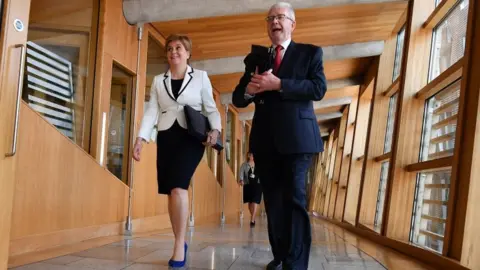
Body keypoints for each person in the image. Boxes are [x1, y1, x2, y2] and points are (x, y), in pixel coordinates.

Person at [232, 2, 327, 270]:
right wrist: (251, 89)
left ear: (292, 24)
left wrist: (280, 84)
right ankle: (282, 256)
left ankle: (296, 264)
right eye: (271, 18)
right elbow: (239, 98)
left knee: (295, 199)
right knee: (273, 202)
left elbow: (318, 88)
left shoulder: (310, 53)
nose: (275, 21)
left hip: (298, 140)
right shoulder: (257, 58)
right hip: (265, 142)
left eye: (281, 17)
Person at [133, 34, 221, 268]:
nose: (174, 52)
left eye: (179, 48)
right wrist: (141, 137)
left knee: (179, 186)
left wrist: (216, 131)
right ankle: (179, 241)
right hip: (166, 135)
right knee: (171, 191)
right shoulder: (158, 80)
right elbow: (152, 110)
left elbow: (211, 109)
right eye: (170, 48)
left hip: (191, 137)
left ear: (188, 53)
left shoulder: (201, 77)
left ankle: (178, 244)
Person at [238, 152, 262, 227]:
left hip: (257, 185)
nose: (251, 156)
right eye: (250, 155)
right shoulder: (244, 165)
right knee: (249, 204)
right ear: (248, 155)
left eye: (253, 155)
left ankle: (252, 220)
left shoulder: (259, 164)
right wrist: (241, 180)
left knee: (255, 201)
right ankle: (253, 217)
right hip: (248, 185)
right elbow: (241, 173)